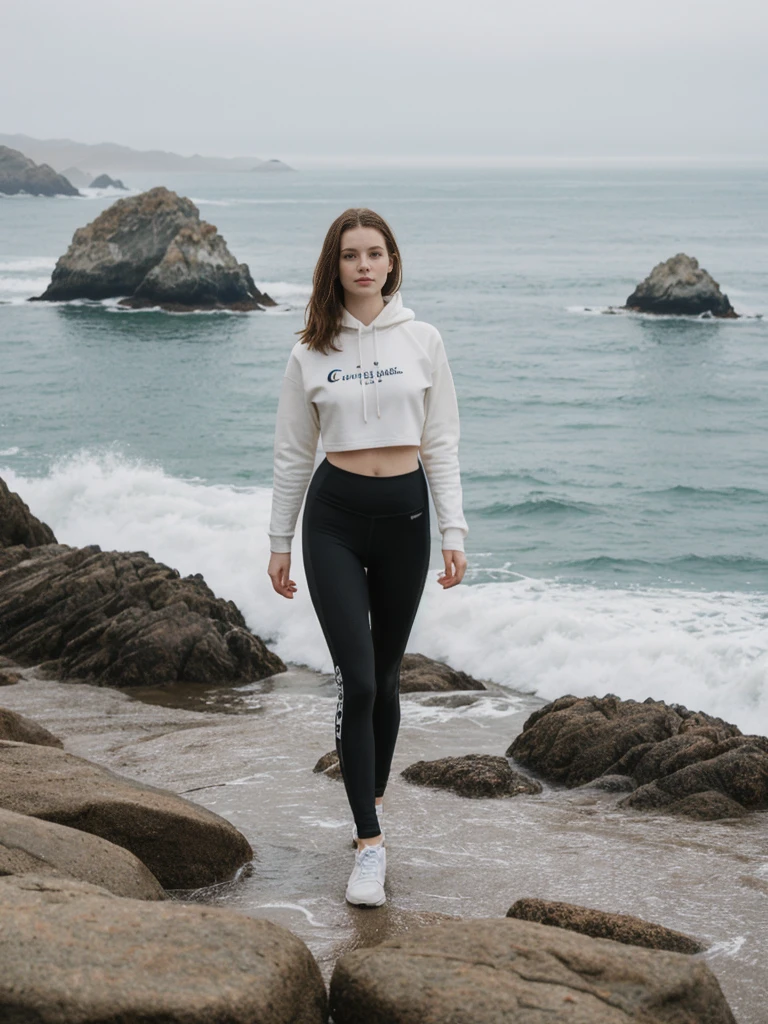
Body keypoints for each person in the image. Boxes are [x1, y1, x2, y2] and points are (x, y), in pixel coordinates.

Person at [267, 207, 468, 907]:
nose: (362, 264)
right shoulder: (310, 350)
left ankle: (371, 793)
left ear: (391, 262)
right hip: (333, 523)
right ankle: (369, 843)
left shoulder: (424, 340)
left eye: (373, 253)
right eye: (350, 254)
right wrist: (278, 541)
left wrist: (454, 532)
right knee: (356, 679)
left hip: (407, 520)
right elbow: (294, 452)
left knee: (385, 679)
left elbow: (441, 442)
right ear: (336, 264)